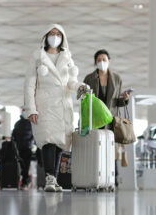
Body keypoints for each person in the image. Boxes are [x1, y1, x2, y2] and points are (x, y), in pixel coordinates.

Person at [24, 24, 89, 192]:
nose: (54, 37)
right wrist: (31, 109)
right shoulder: (37, 56)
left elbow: (71, 82)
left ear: (63, 37)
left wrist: (80, 87)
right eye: (51, 34)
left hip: (62, 105)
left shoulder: (67, 57)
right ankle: (49, 178)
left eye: (58, 34)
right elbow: (29, 85)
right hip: (44, 106)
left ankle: (54, 179)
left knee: (60, 143)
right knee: (48, 141)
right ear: (45, 36)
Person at [83, 49, 130, 186]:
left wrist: (125, 99)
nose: (101, 62)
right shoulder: (89, 79)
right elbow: (85, 101)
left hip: (111, 120)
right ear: (95, 62)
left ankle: (113, 180)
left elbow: (118, 102)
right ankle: (95, 179)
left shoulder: (117, 78)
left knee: (111, 150)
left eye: (104, 59)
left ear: (109, 61)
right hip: (95, 120)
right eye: (99, 60)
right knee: (95, 149)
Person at [11, 107, 35, 190]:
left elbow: (33, 135)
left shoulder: (31, 123)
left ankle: (25, 182)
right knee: (22, 166)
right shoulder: (18, 123)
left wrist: (31, 143)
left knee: (26, 166)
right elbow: (13, 135)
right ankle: (25, 182)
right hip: (19, 148)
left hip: (27, 148)